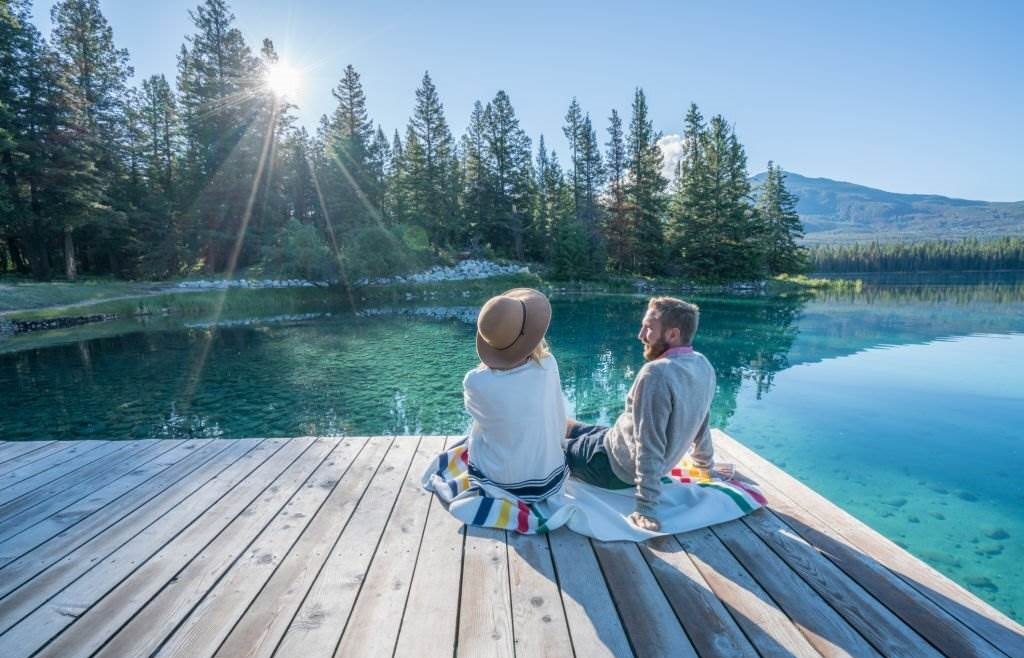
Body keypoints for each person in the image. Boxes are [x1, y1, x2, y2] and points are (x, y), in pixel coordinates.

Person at [563, 296, 718, 531]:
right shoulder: (702, 364)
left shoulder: (656, 374)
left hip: (612, 466)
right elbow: (701, 420)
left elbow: (649, 444)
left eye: (649, 328)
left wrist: (646, 508)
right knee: (571, 426)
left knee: (547, 446)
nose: (640, 335)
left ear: (673, 335)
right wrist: (705, 465)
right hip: (616, 439)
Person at [463, 288, 568, 503]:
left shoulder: (475, 381)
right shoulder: (547, 365)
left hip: (503, 480)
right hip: (549, 479)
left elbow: (483, 421)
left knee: (477, 432)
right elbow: (558, 415)